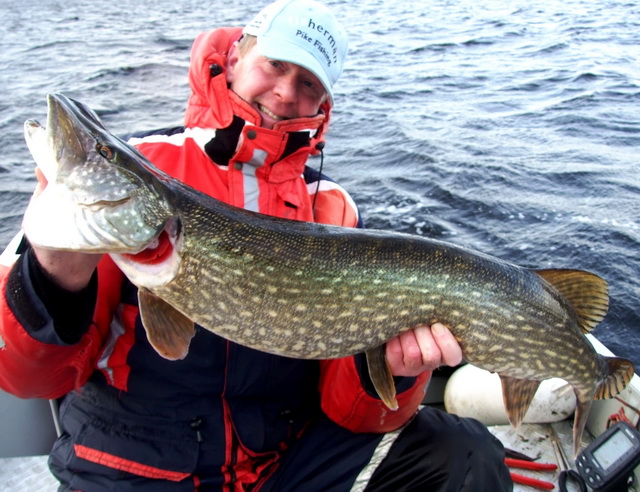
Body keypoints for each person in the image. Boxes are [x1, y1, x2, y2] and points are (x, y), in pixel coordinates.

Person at [0, 0, 512, 490]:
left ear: (322, 105)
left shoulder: (333, 208)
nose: (286, 91)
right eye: (275, 64)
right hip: (131, 467)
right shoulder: (147, 163)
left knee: (462, 454)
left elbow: (351, 412)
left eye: (307, 82)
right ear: (238, 54)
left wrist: (397, 373)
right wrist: (53, 275)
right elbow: (28, 378)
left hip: (281, 464)